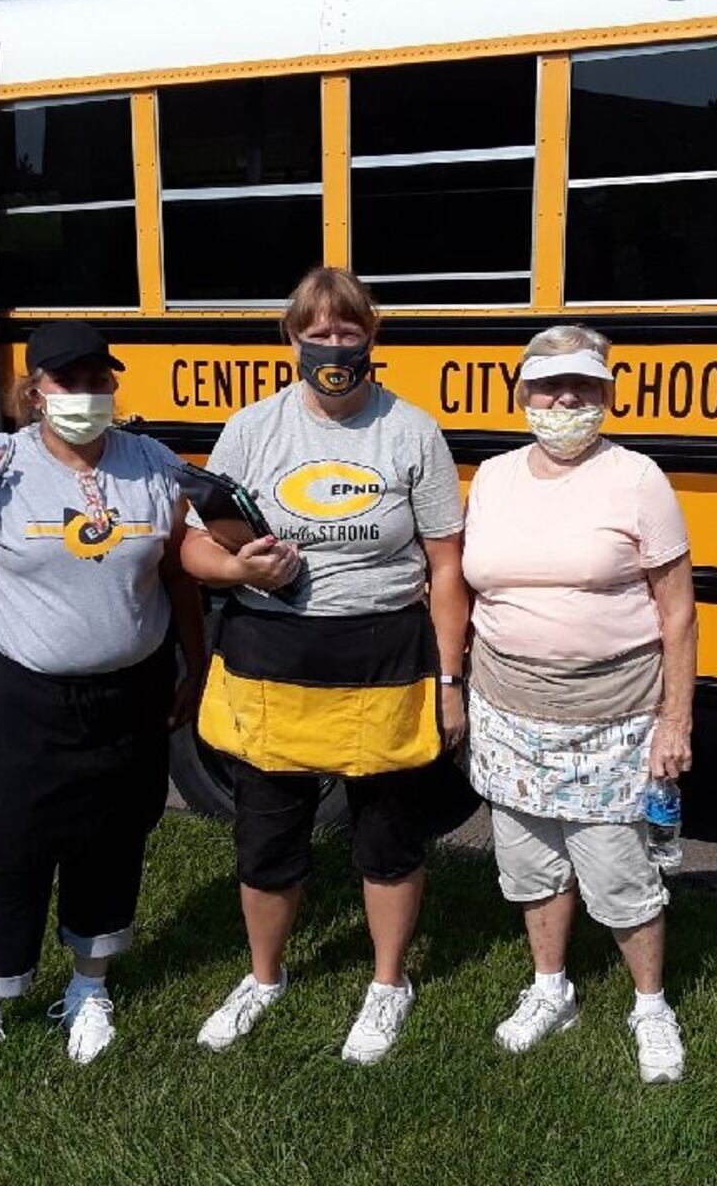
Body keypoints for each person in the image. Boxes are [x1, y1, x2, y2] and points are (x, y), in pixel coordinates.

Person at [180, 267, 467, 1066]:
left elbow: (447, 566)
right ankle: (263, 978)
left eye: (348, 331)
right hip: (270, 656)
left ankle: (387, 985)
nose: (332, 345)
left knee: (388, 839)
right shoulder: (250, 430)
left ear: (372, 339)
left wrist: (450, 683)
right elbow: (197, 545)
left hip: (385, 657)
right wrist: (241, 572)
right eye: (318, 331)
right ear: (291, 339)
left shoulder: (411, 431)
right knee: (266, 842)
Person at [0, 321, 205, 1090]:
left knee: (111, 841)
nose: (85, 394)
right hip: (15, 692)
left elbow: (178, 575)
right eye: (66, 381)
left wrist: (196, 664)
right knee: (3, 849)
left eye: (98, 379)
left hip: (128, 690)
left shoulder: (154, 465)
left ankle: (90, 985)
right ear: (34, 390)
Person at [462, 324, 697, 1083]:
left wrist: (676, 719)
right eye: (549, 386)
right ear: (522, 395)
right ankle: (550, 988)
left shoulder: (636, 478)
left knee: (618, 871)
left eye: (584, 386)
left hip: (613, 713)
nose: (566, 399)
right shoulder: (493, 477)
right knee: (528, 863)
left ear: (605, 395)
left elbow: (679, 612)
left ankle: (651, 1004)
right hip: (507, 705)